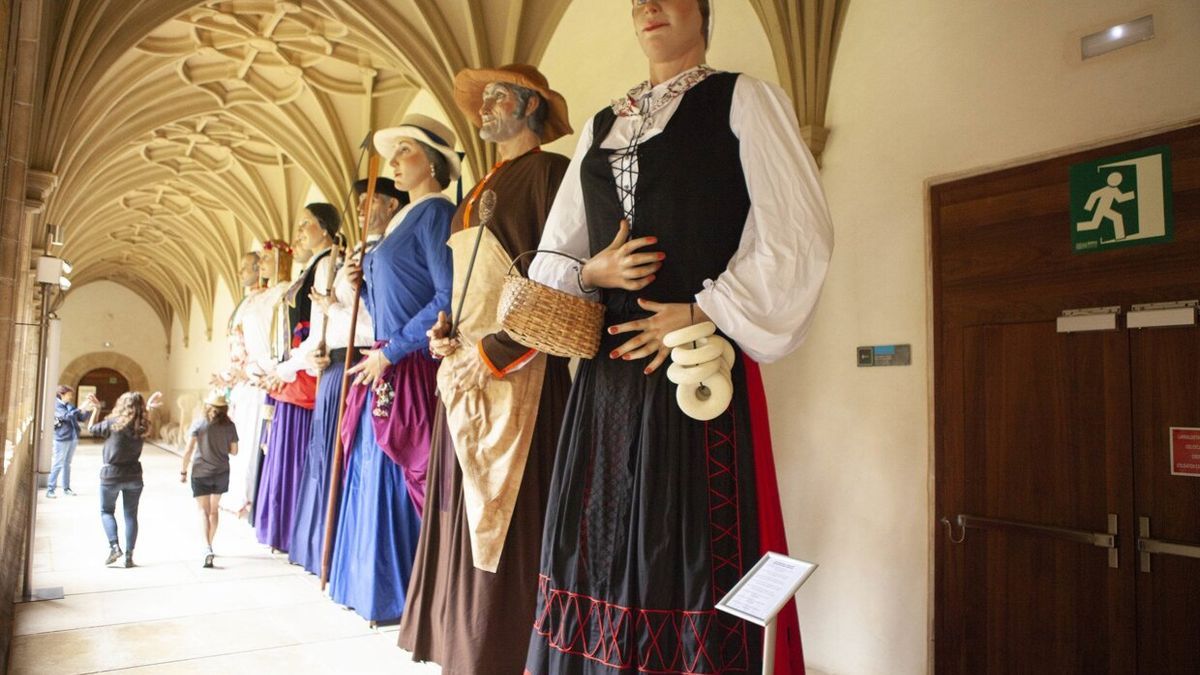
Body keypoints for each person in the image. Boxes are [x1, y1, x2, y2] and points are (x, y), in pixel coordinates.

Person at [524, 1, 834, 673]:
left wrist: (702, 311)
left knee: (689, 542)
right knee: (595, 544)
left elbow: (798, 234)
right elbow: (554, 254)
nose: (650, 7)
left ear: (702, 12)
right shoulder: (599, 126)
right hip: (606, 385)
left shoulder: (743, 99)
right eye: (639, 0)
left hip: (698, 375)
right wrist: (594, 269)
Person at [396, 64, 572, 674]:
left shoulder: (553, 174)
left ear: (531, 107)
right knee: (460, 512)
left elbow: (558, 282)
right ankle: (458, 644)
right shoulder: (476, 190)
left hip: (522, 373)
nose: (485, 110)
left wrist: (492, 352)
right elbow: (471, 284)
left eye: (499, 97)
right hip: (466, 378)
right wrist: (447, 331)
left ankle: (502, 650)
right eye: (483, 100)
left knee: (510, 516)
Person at [328, 114, 454, 623]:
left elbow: (445, 298)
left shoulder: (435, 215)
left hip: (413, 365)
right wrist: (365, 282)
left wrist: (392, 351)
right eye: (395, 152)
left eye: (405, 151)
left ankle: (409, 595)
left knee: (404, 473)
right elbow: (395, 298)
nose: (395, 161)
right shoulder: (400, 222)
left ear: (431, 162)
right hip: (386, 361)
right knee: (370, 471)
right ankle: (371, 589)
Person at [287, 178, 407, 576]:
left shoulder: (388, 251)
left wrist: (338, 302)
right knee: (325, 455)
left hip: (365, 358)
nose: (359, 208)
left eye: (369, 200)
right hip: (336, 360)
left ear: (391, 205)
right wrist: (318, 348)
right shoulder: (353, 252)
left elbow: (378, 314)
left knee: (352, 457)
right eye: (356, 202)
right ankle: (320, 546)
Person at [255, 203, 340, 552]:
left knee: (298, 457)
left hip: (306, 375)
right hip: (294, 371)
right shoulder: (311, 269)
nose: (300, 231)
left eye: (306, 224)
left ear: (324, 228)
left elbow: (318, 333)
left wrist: (283, 371)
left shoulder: (327, 265)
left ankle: (292, 531)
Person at [212, 251, 263, 516]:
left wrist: (246, 372)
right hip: (240, 384)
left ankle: (246, 497)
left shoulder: (261, 302)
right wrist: (228, 374)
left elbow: (259, 346)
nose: (240, 273)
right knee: (234, 442)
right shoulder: (244, 303)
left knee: (247, 441)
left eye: (245, 268)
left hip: (253, 383)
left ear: (259, 268)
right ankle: (234, 493)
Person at [88, 390, 164, 568]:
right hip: (134, 476)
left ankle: (114, 547)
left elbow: (91, 429)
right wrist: (148, 409)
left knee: (106, 511)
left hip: (111, 475)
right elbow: (144, 419)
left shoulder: (112, 423)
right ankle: (129, 556)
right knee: (130, 515)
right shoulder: (142, 426)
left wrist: (96, 410)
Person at [180, 391, 239, 568]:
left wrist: (183, 471)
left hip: (201, 472)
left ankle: (206, 548)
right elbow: (234, 451)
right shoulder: (230, 426)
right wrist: (221, 447)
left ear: (208, 407)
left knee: (202, 511)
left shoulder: (200, 424)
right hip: (221, 472)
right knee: (214, 510)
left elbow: (189, 449)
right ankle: (210, 545)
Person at [47, 385, 92, 498]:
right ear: (61, 394)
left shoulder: (69, 405)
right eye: (69, 394)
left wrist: (87, 410)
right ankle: (50, 489)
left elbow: (80, 417)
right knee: (58, 464)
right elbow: (66, 417)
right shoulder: (56, 406)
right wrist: (81, 407)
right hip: (61, 438)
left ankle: (66, 488)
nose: (71, 396)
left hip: (72, 438)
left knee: (67, 464)